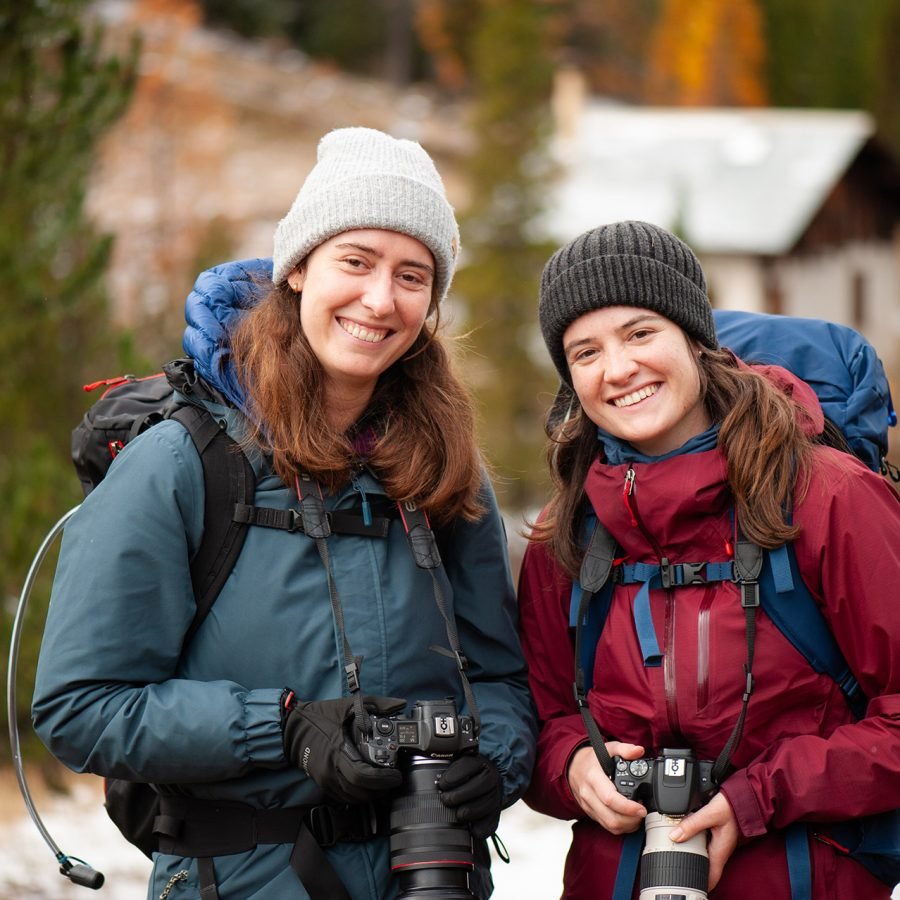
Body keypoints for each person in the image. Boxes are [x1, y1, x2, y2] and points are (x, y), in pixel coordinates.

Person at [33, 127, 536, 900]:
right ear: (298, 267)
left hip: (428, 877)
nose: (380, 298)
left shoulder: (444, 463)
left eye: (412, 275)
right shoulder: (181, 464)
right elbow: (81, 706)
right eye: (356, 261)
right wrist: (287, 729)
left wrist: (492, 759)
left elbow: (499, 675)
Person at [517, 220, 900, 899]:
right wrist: (571, 764)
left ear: (696, 338)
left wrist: (761, 794)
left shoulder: (828, 498)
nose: (618, 369)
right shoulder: (565, 535)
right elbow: (543, 720)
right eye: (584, 352)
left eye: (641, 333)